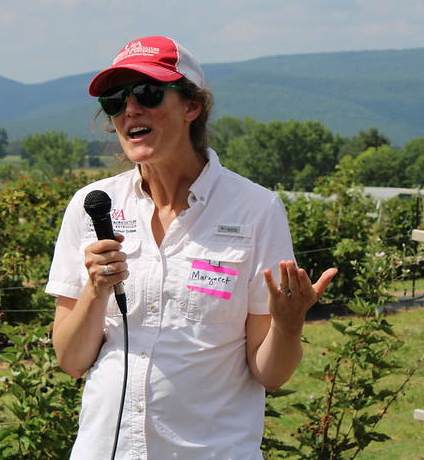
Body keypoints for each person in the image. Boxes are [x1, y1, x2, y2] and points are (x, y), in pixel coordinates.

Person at [45, 36, 336, 459]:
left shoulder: (256, 210)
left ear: (191, 107)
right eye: (115, 99)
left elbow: (269, 373)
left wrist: (288, 325)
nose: (130, 109)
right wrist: (95, 289)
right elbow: (71, 360)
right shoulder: (92, 207)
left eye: (147, 92)